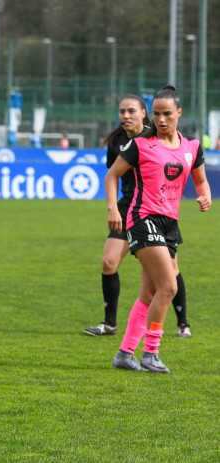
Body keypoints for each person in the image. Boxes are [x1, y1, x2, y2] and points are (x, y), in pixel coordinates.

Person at [105, 85, 211, 373]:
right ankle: (150, 353)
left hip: (169, 224)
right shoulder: (140, 145)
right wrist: (114, 209)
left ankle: (125, 353)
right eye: (156, 114)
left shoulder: (192, 147)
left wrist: (205, 196)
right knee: (169, 285)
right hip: (142, 219)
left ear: (179, 113)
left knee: (149, 293)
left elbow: (201, 181)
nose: (161, 120)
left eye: (167, 114)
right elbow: (112, 176)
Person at [85, 95, 193, 338]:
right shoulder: (116, 142)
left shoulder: (157, 137)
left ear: (144, 113)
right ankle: (110, 323)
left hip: (156, 210)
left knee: (169, 273)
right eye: (122, 111)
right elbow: (113, 176)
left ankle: (182, 323)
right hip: (127, 209)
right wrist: (112, 208)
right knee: (108, 262)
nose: (126, 116)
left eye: (131, 111)